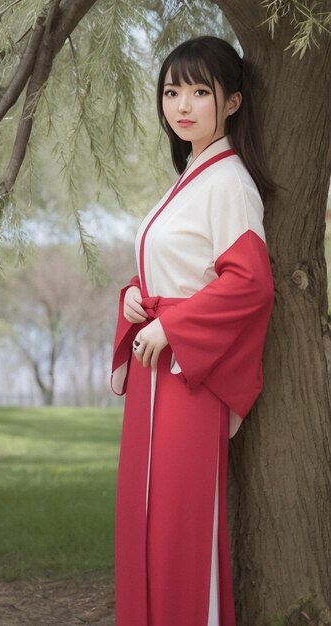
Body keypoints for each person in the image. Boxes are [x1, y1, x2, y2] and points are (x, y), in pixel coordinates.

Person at [110, 36, 276, 626]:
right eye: (171, 91)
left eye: (199, 91)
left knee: (182, 526)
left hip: (187, 377)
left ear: (231, 102)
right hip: (160, 370)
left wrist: (175, 326)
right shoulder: (191, 179)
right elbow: (175, 266)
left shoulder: (229, 183)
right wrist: (135, 295)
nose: (182, 105)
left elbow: (250, 284)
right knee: (147, 518)